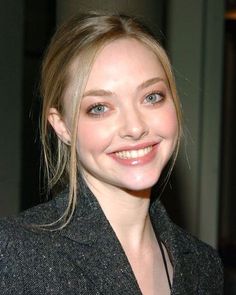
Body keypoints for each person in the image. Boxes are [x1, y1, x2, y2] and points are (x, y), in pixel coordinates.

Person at [0, 12, 223, 294]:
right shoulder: (15, 255)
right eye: (100, 107)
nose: (135, 127)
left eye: (151, 97)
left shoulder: (203, 265)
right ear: (62, 126)